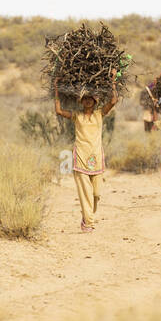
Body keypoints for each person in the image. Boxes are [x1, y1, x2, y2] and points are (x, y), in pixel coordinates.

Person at [54, 78, 118, 232]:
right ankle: (88, 222)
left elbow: (114, 100)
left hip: (96, 156)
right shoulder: (77, 115)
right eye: (85, 99)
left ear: (95, 101)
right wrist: (56, 89)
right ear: (81, 101)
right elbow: (59, 111)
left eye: (90, 99)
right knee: (85, 192)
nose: (88, 101)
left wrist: (113, 80)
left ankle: (87, 215)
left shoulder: (99, 113)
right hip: (81, 156)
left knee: (96, 193)